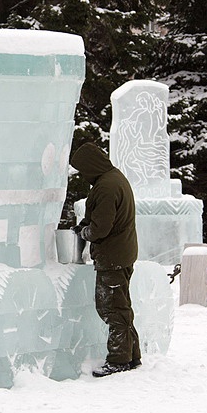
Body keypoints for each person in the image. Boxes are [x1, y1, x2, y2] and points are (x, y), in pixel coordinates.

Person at [69, 142, 140, 377]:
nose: (82, 176)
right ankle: (131, 356)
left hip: (113, 256)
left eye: (82, 170)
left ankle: (119, 360)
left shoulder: (107, 186)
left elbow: (101, 228)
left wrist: (83, 233)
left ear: (90, 166)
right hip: (122, 253)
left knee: (112, 309)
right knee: (121, 307)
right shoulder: (113, 178)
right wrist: (86, 224)